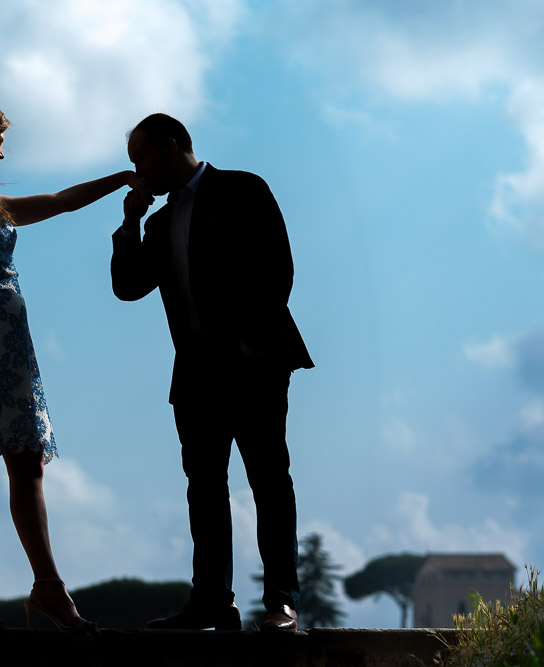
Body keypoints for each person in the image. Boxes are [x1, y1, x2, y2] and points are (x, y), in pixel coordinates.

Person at [0, 101, 139, 630]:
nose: (1, 151)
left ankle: (48, 587)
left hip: (13, 347)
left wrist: (121, 179)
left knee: (27, 459)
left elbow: (61, 201)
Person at [111, 113, 313, 631]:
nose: (139, 171)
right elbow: (129, 285)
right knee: (204, 486)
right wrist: (130, 222)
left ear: (172, 144)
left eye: (142, 158)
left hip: (254, 364)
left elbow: (278, 270)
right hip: (196, 376)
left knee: (268, 480)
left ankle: (281, 603)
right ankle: (211, 602)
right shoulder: (158, 223)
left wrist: (246, 345)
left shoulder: (243, 189)